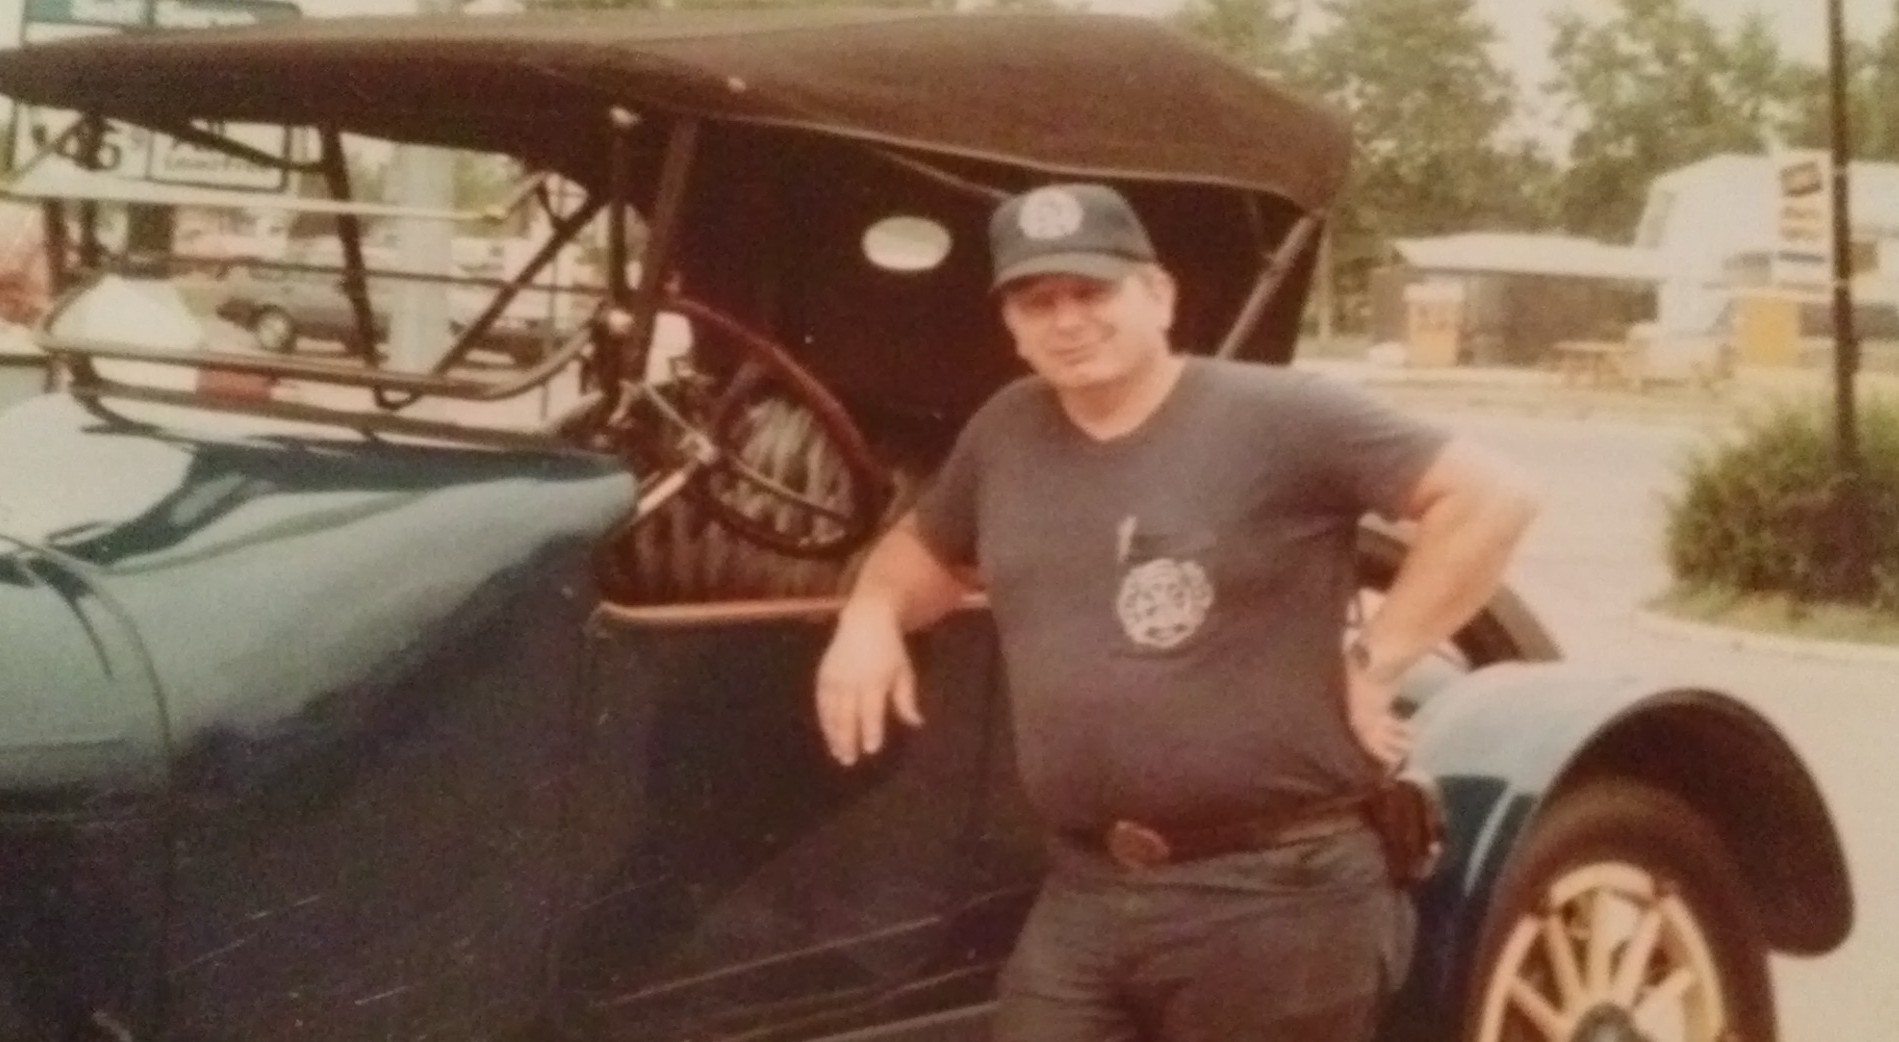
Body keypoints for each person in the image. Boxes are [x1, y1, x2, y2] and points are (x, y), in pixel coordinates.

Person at [813, 183, 1537, 1042]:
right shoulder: (1006, 431)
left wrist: (1376, 662)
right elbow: (924, 550)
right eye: (1037, 301)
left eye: (1092, 292)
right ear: (1011, 325)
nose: (1067, 320)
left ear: (1158, 295)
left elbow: (1490, 497)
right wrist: (869, 614)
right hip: (1088, 889)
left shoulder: (1276, 414)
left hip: (1275, 894)